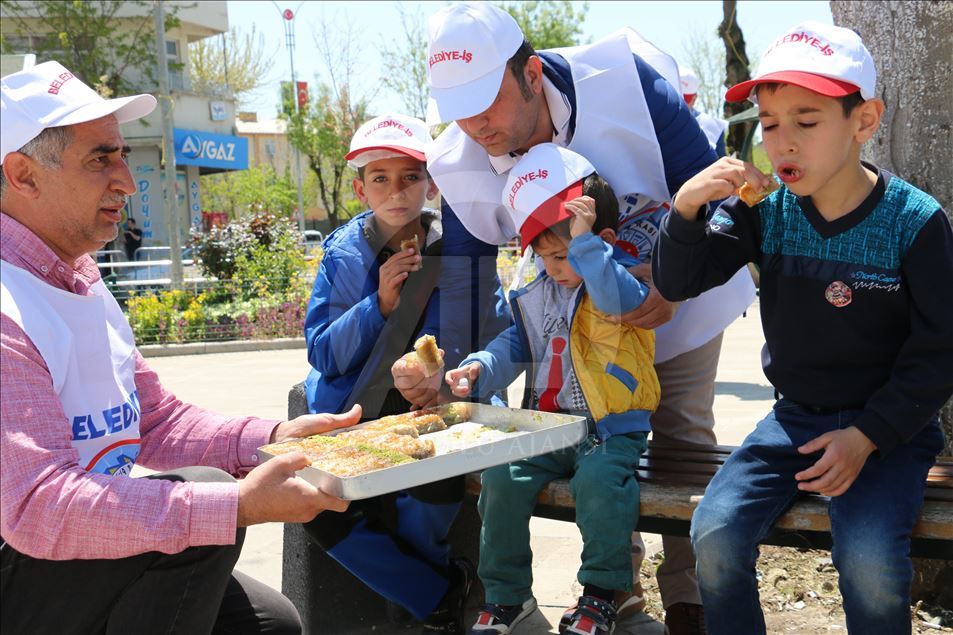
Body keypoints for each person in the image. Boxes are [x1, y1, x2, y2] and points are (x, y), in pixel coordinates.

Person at [400, 4, 758, 632]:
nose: (475, 126)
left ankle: (691, 600)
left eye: (486, 103)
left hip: (674, 286)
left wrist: (677, 278)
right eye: (458, 110)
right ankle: (617, 598)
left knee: (681, 441)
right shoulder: (456, 159)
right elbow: (467, 284)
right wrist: (449, 373)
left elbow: (719, 197)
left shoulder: (625, 84)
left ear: (532, 73)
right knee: (604, 455)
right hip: (564, 318)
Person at [0, 61, 361, 635]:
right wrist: (236, 504)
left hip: (67, 560)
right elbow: (35, 507)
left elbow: (154, 420)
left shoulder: (81, 278)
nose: (124, 178)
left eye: (121, 154)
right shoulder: (7, 309)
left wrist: (271, 440)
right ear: (22, 174)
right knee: (207, 505)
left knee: (271, 624)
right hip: (20, 571)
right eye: (101, 158)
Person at [652, 22, 953, 635]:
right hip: (795, 420)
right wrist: (686, 210)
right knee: (714, 532)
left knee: (868, 559)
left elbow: (941, 350)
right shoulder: (763, 210)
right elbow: (680, 281)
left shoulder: (916, 222)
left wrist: (867, 435)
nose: (781, 142)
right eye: (768, 123)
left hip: (892, 432)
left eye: (806, 121)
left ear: (864, 121)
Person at [445, 144, 659, 635]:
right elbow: (513, 342)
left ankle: (603, 594)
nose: (555, 268)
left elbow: (610, 295)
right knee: (501, 478)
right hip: (549, 428)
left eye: (563, 255)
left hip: (608, 432)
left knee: (600, 485)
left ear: (600, 241)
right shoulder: (540, 291)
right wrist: (478, 368)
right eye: (543, 257)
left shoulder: (620, 284)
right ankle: (507, 597)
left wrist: (588, 249)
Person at [300, 114, 474, 634]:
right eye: (380, 178)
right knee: (317, 509)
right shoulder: (343, 254)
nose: (395, 191)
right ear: (360, 188)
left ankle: (421, 604)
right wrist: (378, 304)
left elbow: (475, 336)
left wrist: (439, 372)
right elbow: (324, 353)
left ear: (431, 183)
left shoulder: (457, 247)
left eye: (410, 177)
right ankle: (437, 593)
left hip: (427, 409)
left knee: (434, 487)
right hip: (352, 411)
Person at [678, 67, 729, 157]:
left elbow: (721, 163)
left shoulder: (712, 127)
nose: (680, 104)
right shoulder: (656, 120)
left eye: (684, 99)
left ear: (694, 98)